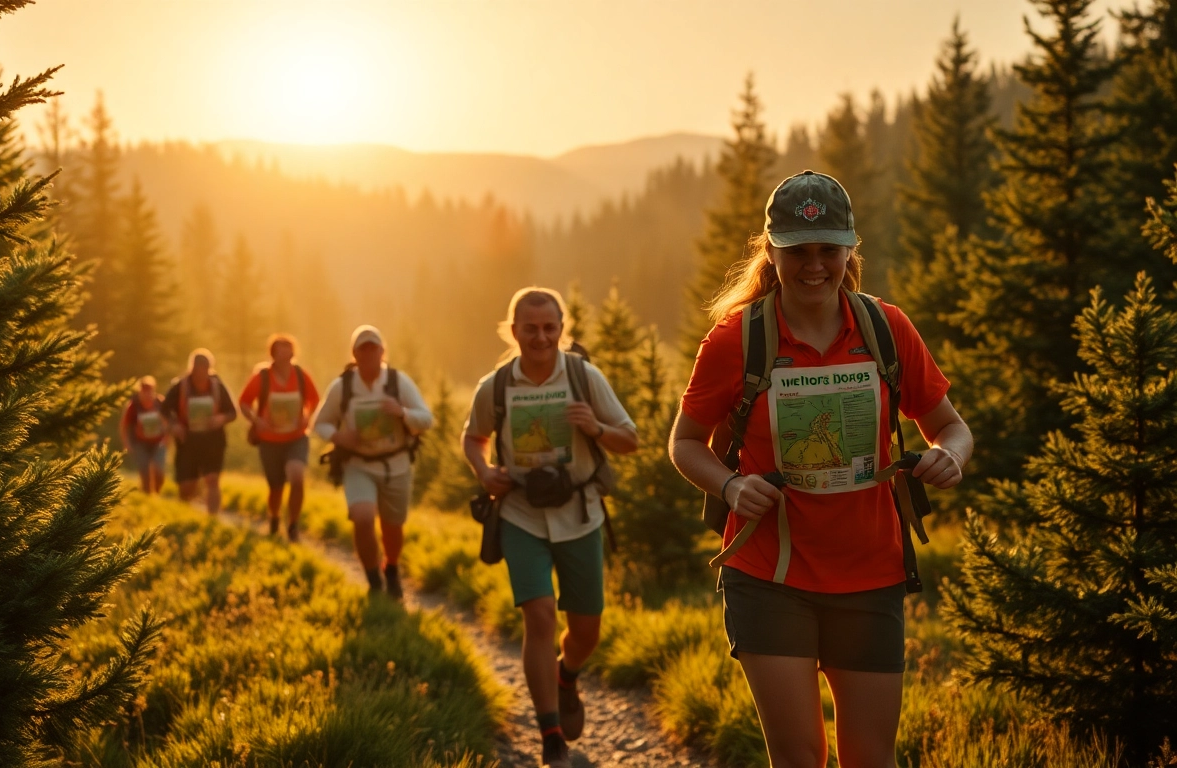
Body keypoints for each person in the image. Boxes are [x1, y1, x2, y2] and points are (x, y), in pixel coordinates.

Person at [669, 170, 973, 768]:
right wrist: (730, 486)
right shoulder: (736, 339)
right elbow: (684, 443)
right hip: (769, 575)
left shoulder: (886, 329)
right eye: (798, 252)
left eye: (828, 250)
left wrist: (948, 458)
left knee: (869, 759)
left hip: (872, 573)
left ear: (849, 250)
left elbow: (952, 427)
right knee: (800, 758)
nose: (814, 266)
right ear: (771, 252)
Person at [462, 287, 638, 768]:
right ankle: (551, 735)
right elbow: (472, 437)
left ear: (562, 328)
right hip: (520, 514)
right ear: (513, 330)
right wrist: (484, 472)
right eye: (530, 328)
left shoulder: (584, 377)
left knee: (586, 633)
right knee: (538, 617)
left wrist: (595, 428)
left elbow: (631, 440)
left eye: (549, 327)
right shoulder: (495, 386)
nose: (540, 337)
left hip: (579, 514)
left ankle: (567, 676)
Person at [311, 325, 433, 598]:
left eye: (373, 348)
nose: (368, 353)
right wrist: (340, 438)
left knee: (393, 527)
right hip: (358, 464)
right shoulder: (342, 386)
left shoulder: (398, 382)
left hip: (396, 464)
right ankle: (373, 579)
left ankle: (391, 567)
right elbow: (319, 424)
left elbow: (427, 419)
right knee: (363, 518)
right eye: (362, 349)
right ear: (354, 354)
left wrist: (400, 412)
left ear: (382, 351)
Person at [238, 333, 320, 539]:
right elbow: (244, 402)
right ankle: (274, 518)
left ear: (293, 352)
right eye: (279, 349)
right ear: (272, 353)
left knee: (297, 477)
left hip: (297, 437)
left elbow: (314, 399)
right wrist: (258, 421)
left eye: (288, 349)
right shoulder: (262, 377)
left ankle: (293, 525)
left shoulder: (301, 375)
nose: (284, 353)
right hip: (269, 440)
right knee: (275, 487)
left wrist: (306, 417)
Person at [161, 348, 237, 515]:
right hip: (188, 440)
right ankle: (184, 516)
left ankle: (212, 519)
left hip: (213, 440)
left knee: (212, 479)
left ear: (209, 368)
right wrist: (174, 425)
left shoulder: (218, 386)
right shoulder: (180, 386)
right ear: (192, 368)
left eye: (204, 368)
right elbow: (164, 409)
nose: (200, 372)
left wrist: (220, 419)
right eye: (197, 368)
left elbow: (232, 412)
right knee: (187, 485)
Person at [119, 375, 168, 494]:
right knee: (145, 472)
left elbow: (168, 423)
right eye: (144, 391)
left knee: (159, 472)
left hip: (159, 443)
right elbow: (124, 426)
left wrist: (168, 439)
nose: (147, 394)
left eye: (150, 391)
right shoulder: (133, 406)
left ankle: (157, 493)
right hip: (140, 443)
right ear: (140, 391)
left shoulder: (160, 403)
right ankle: (147, 497)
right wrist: (127, 443)